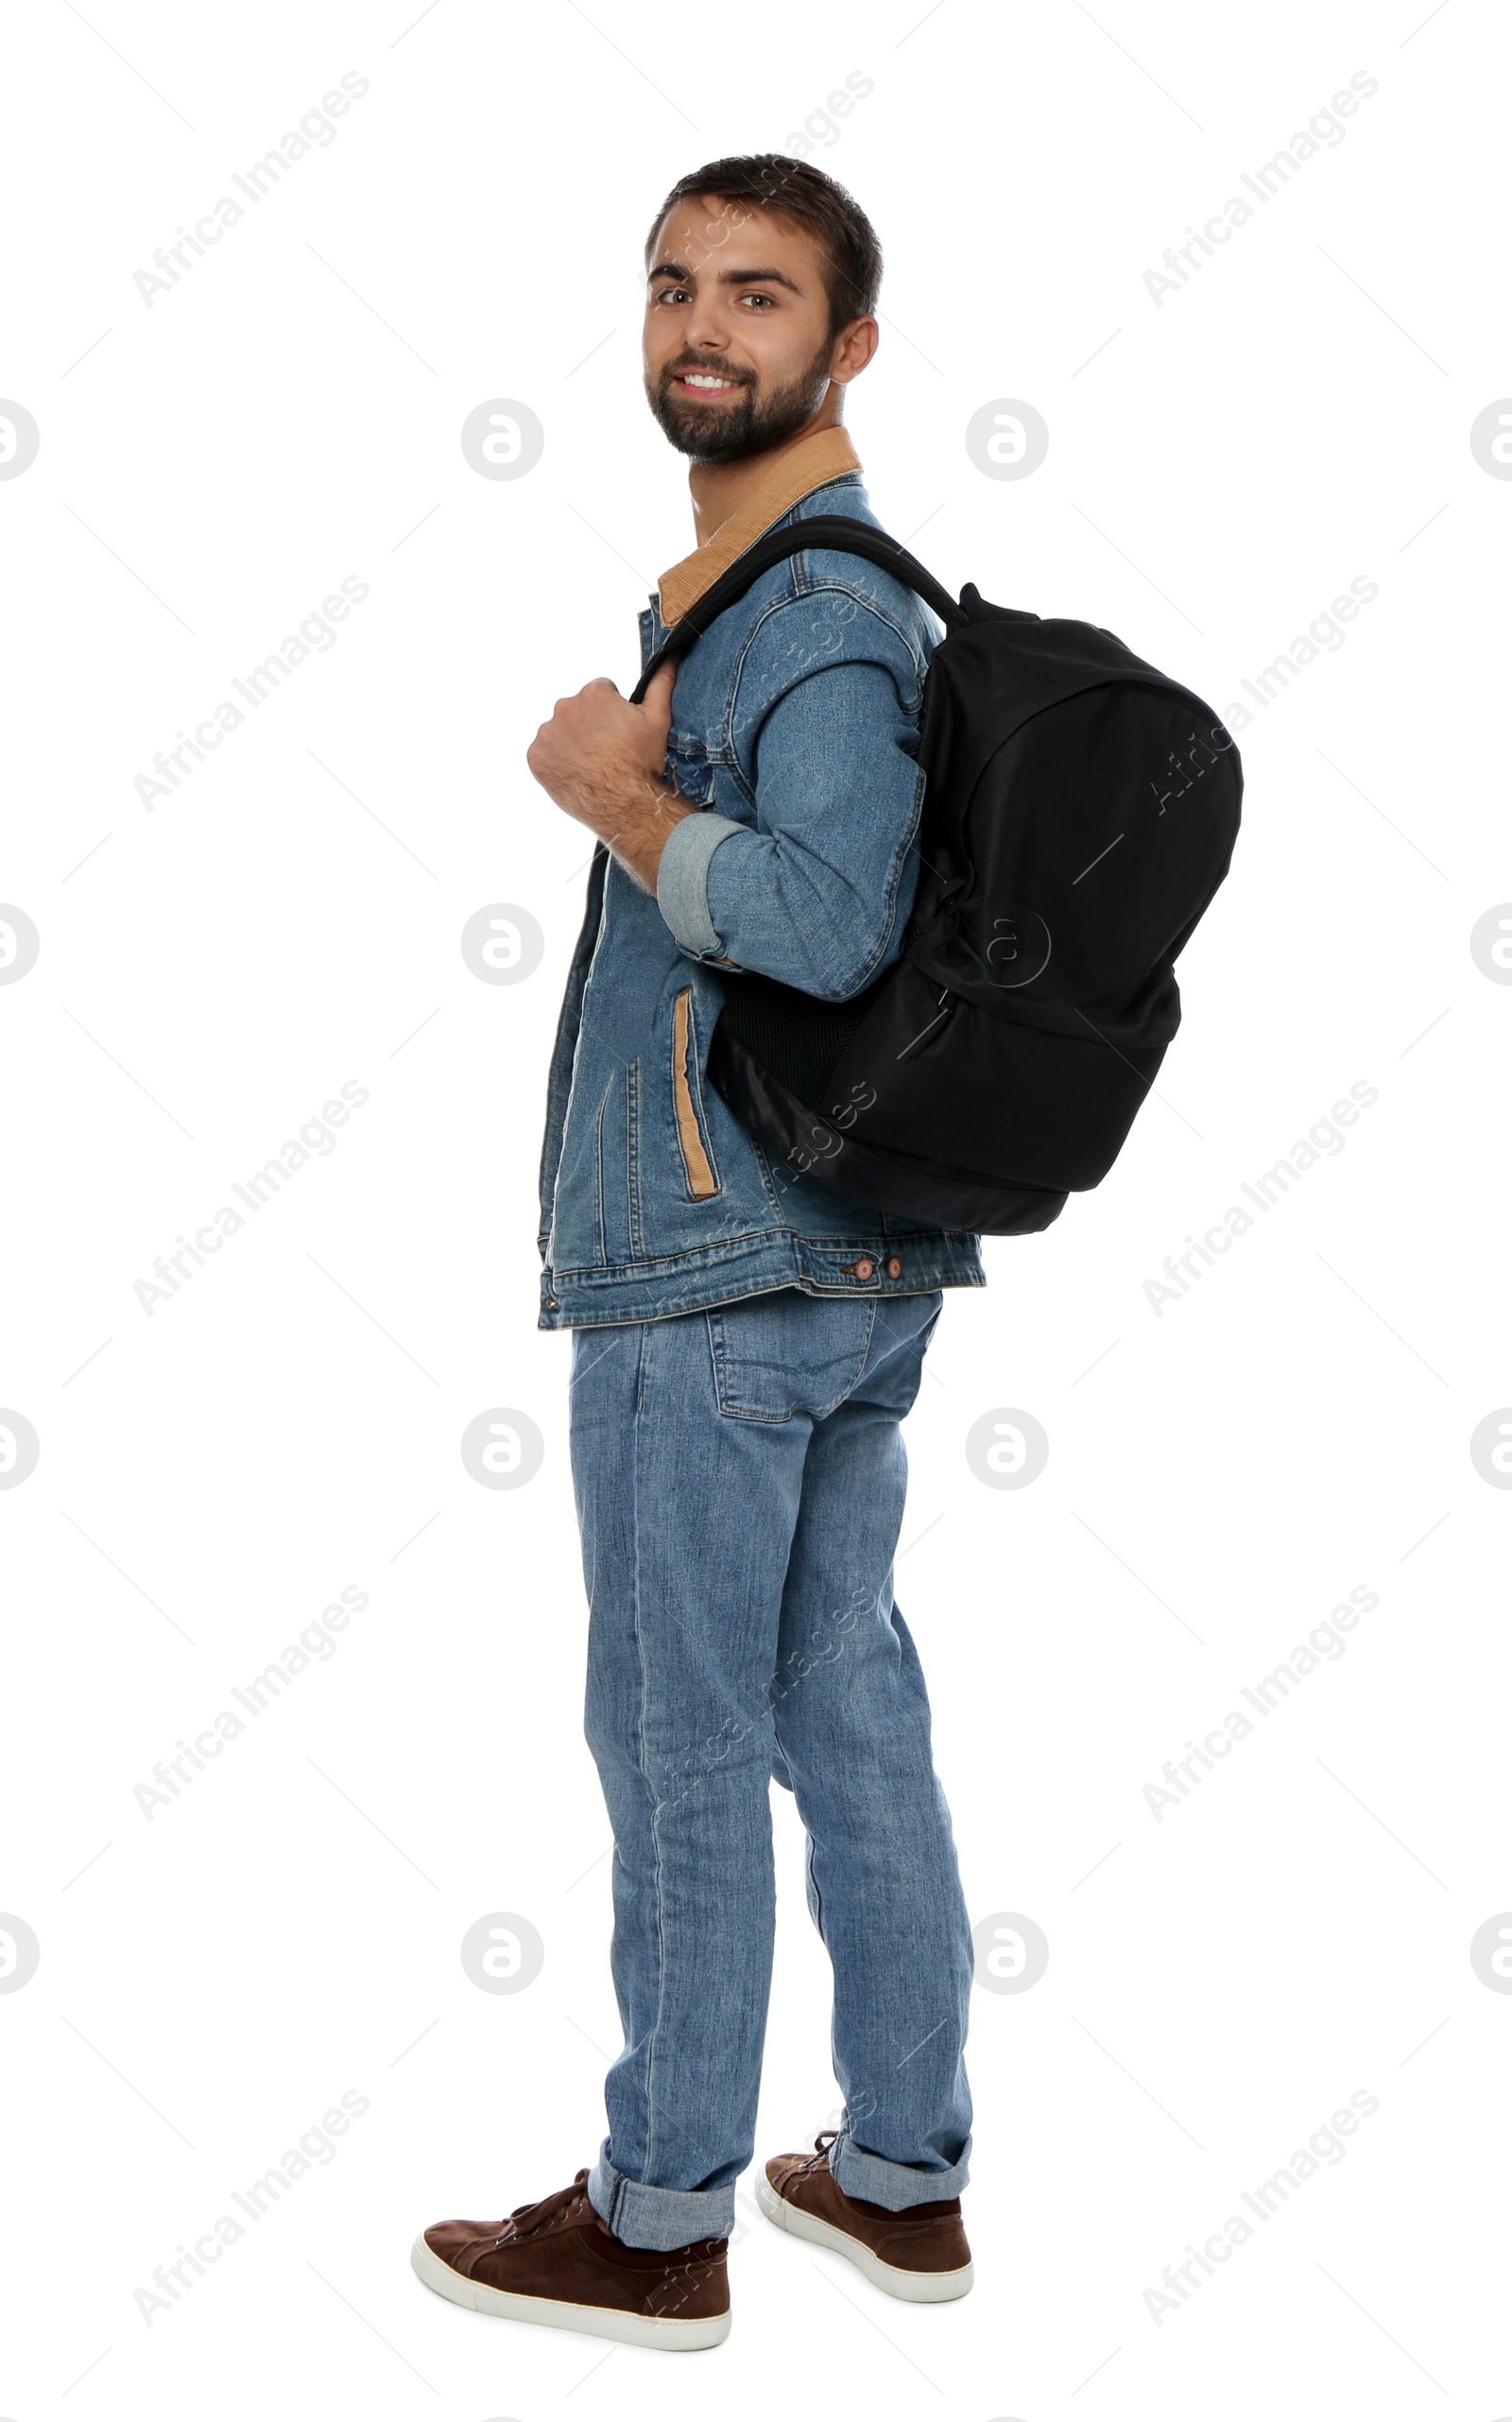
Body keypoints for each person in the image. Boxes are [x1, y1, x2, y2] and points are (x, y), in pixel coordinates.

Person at [414, 155, 980, 2352]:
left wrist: (615, 798)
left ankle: (657, 2218)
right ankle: (903, 2170)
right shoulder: (760, 592)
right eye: (669, 286)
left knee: (672, 1738)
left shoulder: (817, 617)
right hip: (834, 1261)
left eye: (755, 293)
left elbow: (827, 923)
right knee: (838, 1707)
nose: (697, 329)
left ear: (847, 347)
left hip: (721, 1274)